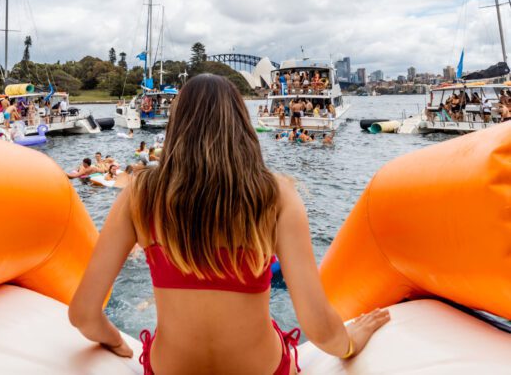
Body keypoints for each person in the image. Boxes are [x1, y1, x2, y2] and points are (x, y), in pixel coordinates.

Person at [69, 75, 389, 373]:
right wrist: (350, 343)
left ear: (177, 125)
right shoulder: (275, 195)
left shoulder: (139, 195)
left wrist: (115, 340)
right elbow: (318, 327)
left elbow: (83, 314)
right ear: (241, 124)